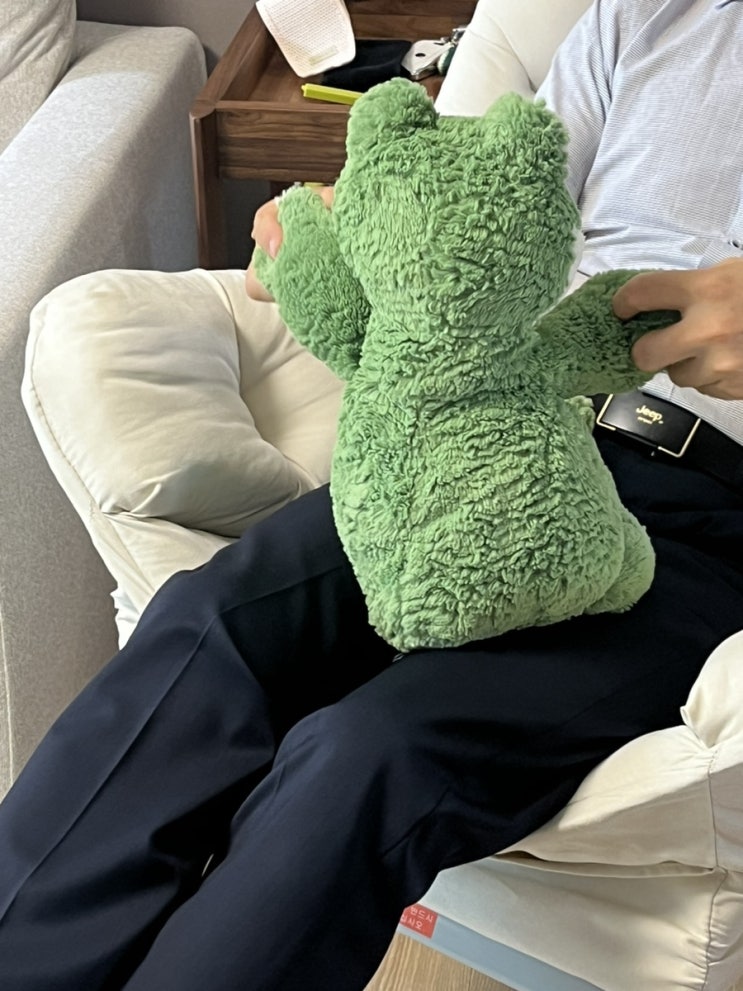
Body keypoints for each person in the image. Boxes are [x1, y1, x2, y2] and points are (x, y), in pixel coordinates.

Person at [1, 1, 742, 988]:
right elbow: (488, 203)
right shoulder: (651, 17)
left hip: (710, 524)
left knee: (372, 750)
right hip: (500, 433)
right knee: (205, 628)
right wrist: (339, 230)